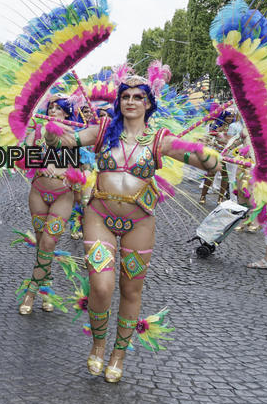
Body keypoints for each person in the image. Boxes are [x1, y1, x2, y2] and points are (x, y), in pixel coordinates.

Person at [47, 65, 221, 383]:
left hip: (139, 222)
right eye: (125, 96)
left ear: (148, 103)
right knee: (101, 286)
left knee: (130, 289)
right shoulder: (102, 131)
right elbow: (68, 142)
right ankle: (98, 345)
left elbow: (203, 160)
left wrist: (208, 155)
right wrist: (53, 132)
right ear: (119, 102)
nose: (130, 101)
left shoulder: (160, 140)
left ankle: (118, 354)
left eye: (138, 97)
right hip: (98, 216)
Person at [18, 94, 81, 314]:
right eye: (51, 108)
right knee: (41, 244)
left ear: (66, 113)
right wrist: (40, 163)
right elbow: (24, 154)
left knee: (48, 243)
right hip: (38, 193)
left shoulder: (77, 136)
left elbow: (86, 167)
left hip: (63, 196)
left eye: (58, 108)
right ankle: (47, 287)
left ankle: (31, 292)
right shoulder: (37, 131)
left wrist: (66, 171)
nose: (53, 111)